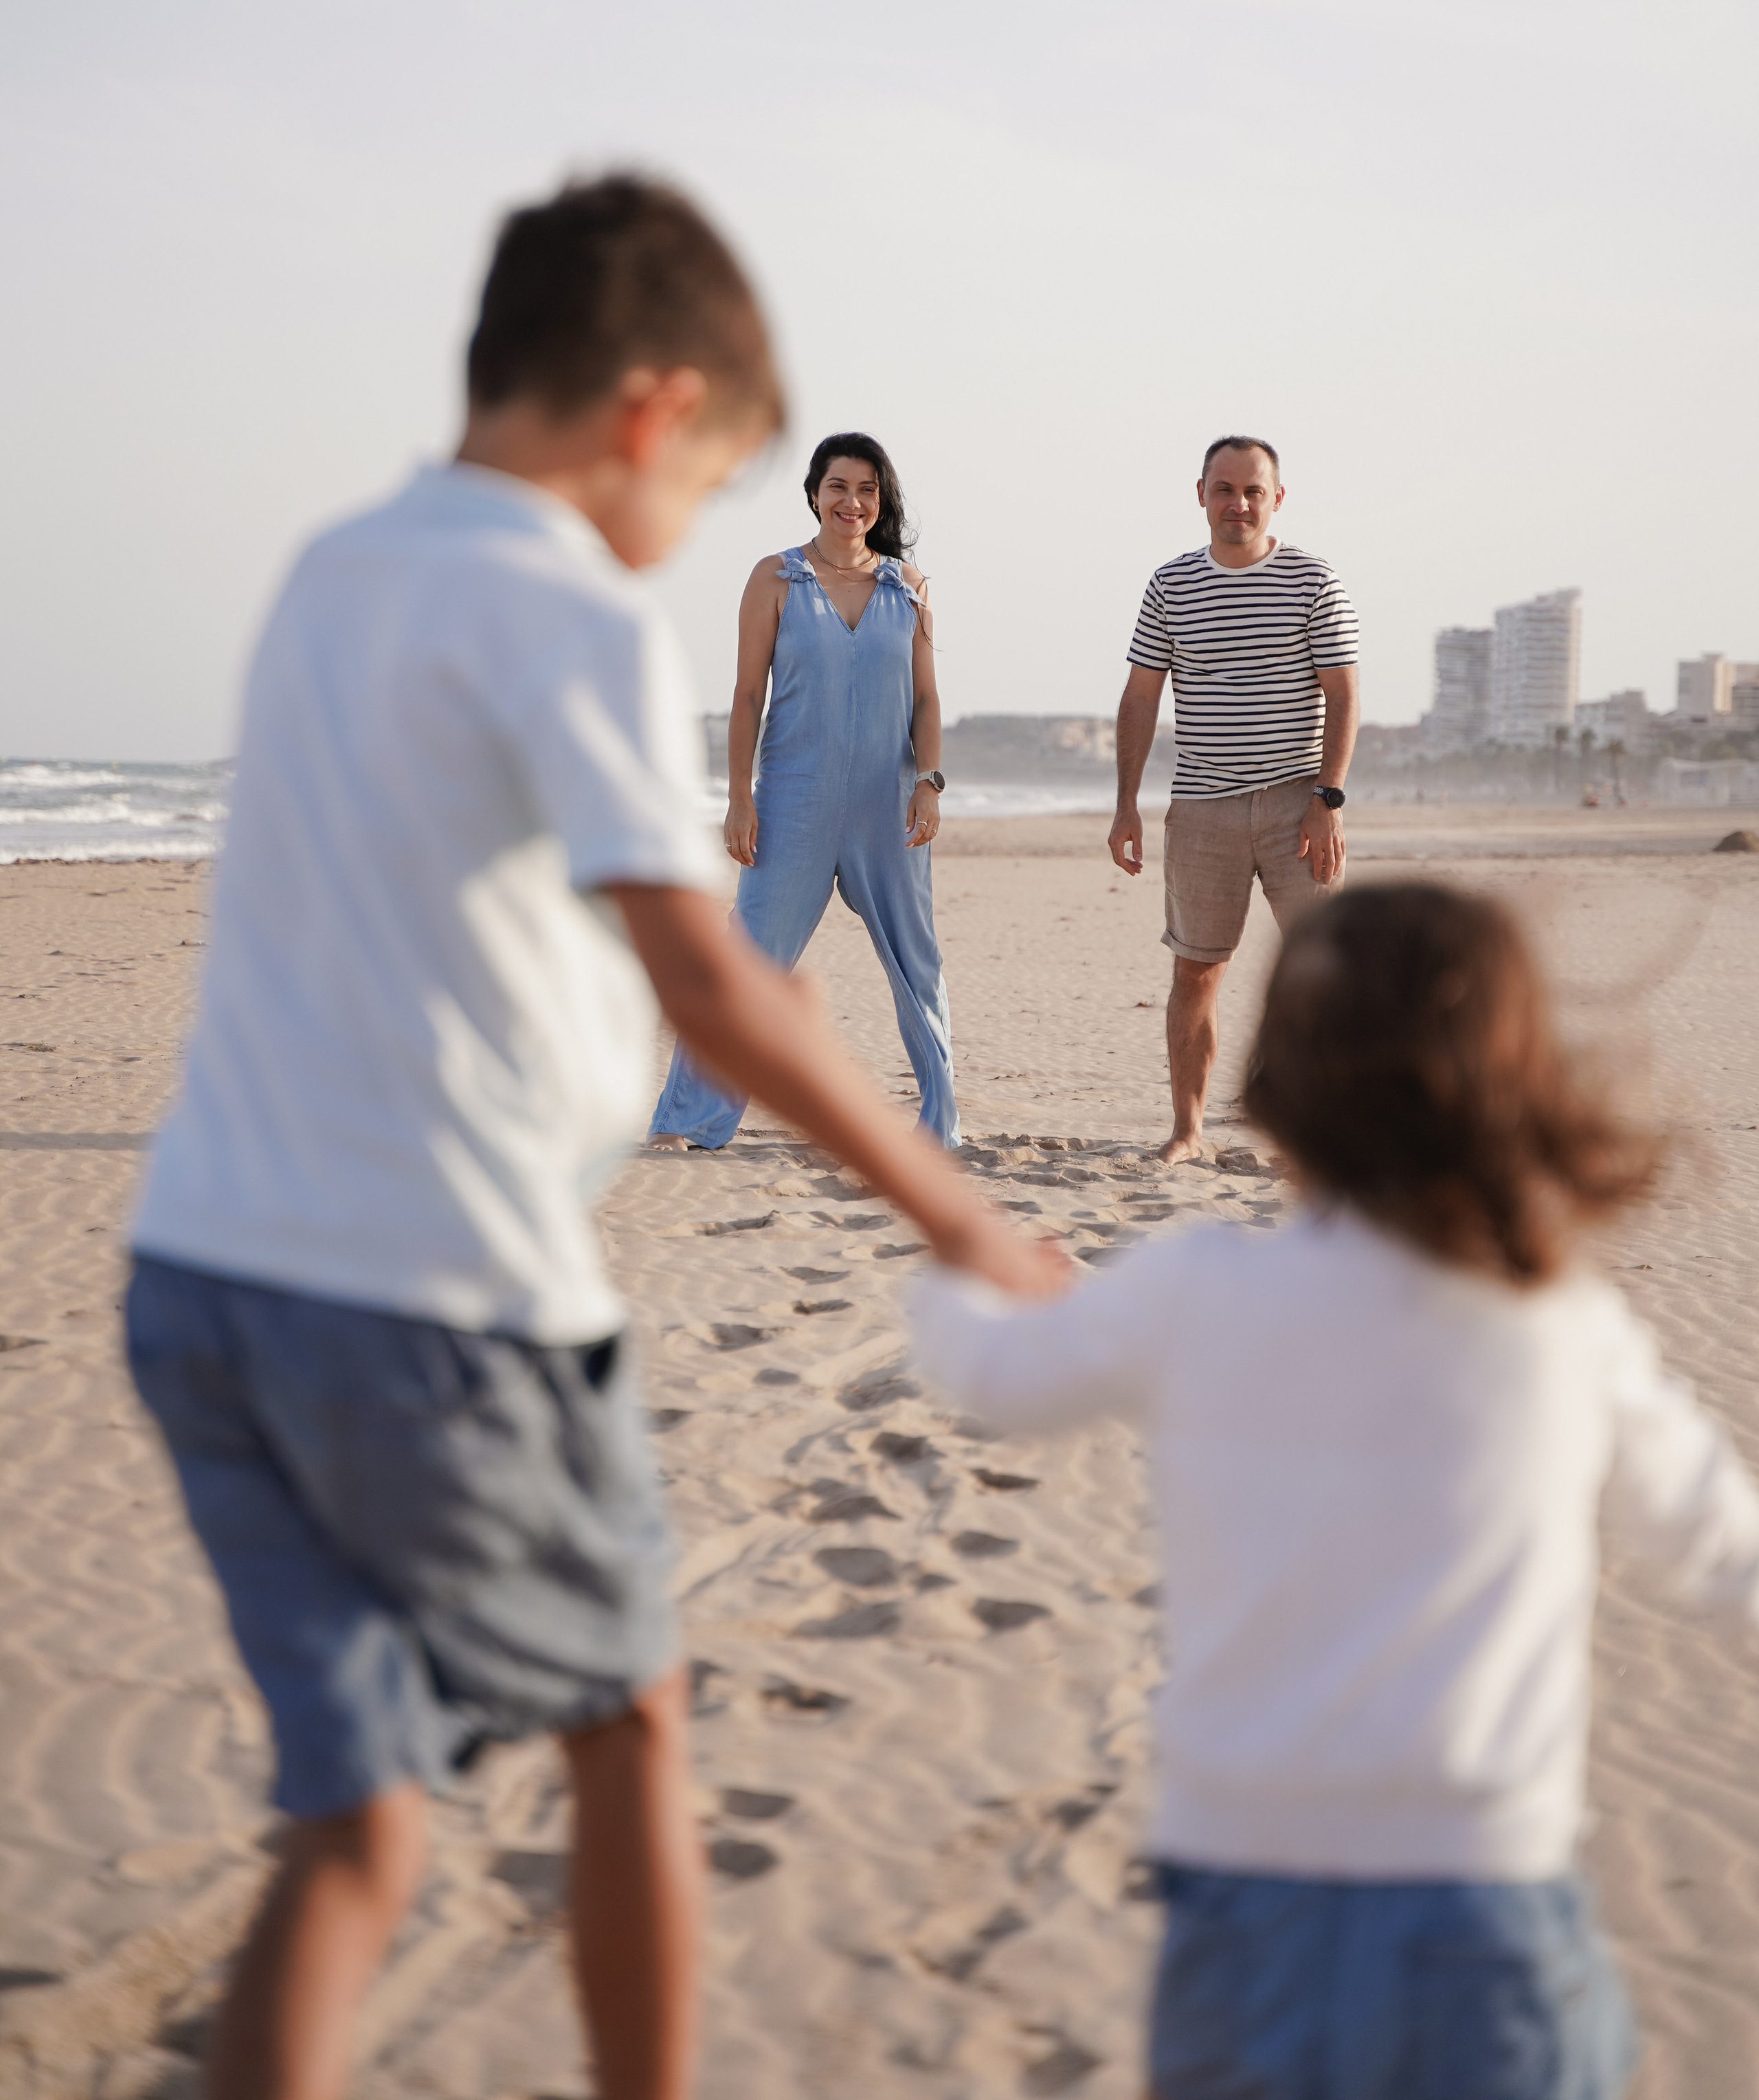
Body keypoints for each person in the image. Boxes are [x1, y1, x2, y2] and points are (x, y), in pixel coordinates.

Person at [124, 179, 1060, 2100]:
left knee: (362, 1828)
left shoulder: (333, 565)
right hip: (431, 1301)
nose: (696, 522)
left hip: (205, 1280)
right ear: (651, 411)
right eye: (712, 477)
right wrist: (951, 1214)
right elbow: (717, 982)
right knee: (629, 1719)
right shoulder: (564, 605)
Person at [912, 880, 1759, 2100]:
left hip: (1246, 1910)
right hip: (1484, 1910)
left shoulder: (1197, 1290)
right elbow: (1719, 1550)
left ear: (1277, 1100)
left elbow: (996, 1380)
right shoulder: (1558, 1323)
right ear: (1509, 1094)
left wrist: (963, 1270)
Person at [649, 429, 958, 1150]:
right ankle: (691, 1119)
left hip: (888, 803)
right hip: (792, 799)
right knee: (747, 961)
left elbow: (928, 702)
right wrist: (738, 796)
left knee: (918, 962)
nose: (852, 502)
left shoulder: (908, 588)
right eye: (839, 487)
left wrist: (929, 784)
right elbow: (748, 694)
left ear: (881, 503)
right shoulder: (775, 578)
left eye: (867, 490)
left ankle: (940, 1124)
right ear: (814, 494)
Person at [1109, 433, 1359, 1165]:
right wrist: (1126, 803)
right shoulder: (1171, 584)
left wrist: (1328, 798)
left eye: (1253, 490)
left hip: (1297, 808)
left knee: (1324, 971)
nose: (1237, 503)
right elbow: (1140, 695)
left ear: (1276, 498)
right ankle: (1187, 1132)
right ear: (1200, 495)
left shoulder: (1314, 580)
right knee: (1195, 971)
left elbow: (1342, 695)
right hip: (1202, 811)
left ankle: (1332, 1134)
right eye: (1224, 488)